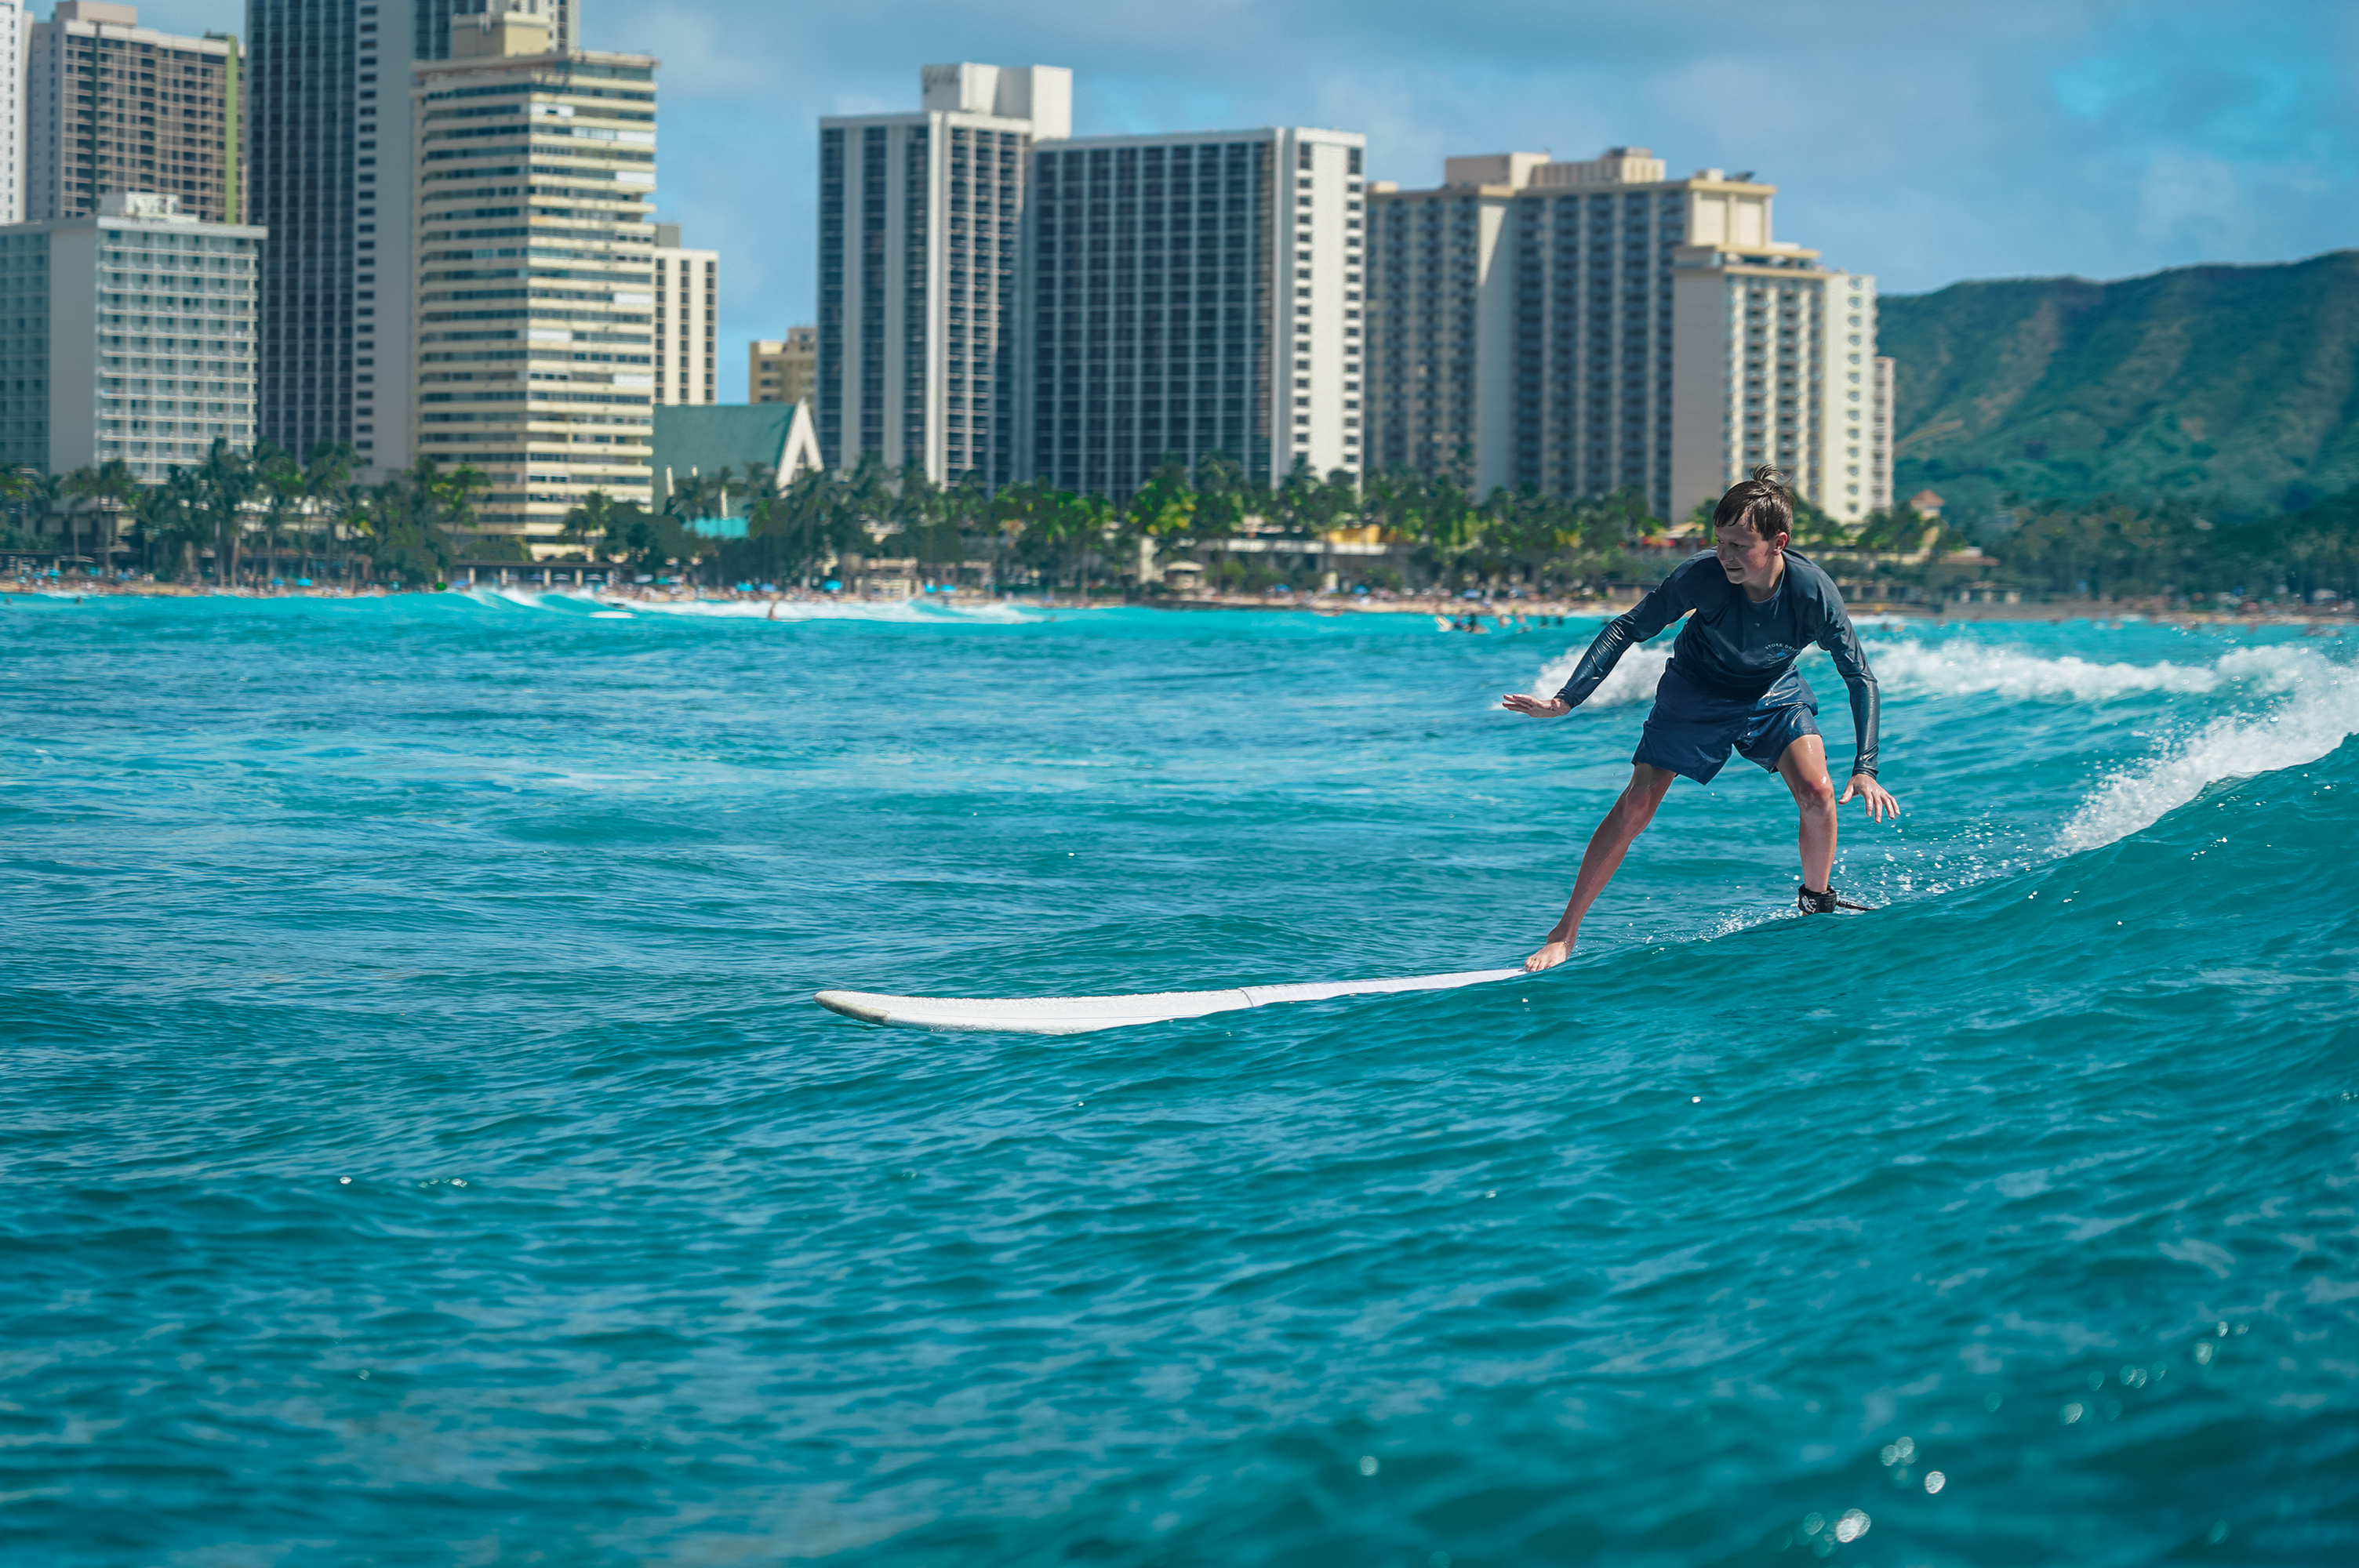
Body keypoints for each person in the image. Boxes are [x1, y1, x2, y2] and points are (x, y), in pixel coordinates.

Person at [1500, 466, 1899, 972]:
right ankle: (1565, 932)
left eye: (1740, 545)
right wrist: (1566, 700)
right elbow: (1626, 628)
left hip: (1771, 688)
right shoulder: (1702, 575)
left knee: (1818, 792)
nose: (1727, 556)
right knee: (1638, 804)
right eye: (1720, 542)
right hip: (1696, 689)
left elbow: (1859, 676)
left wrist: (1866, 768)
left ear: (1779, 542)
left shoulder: (1812, 593)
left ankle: (1816, 903)